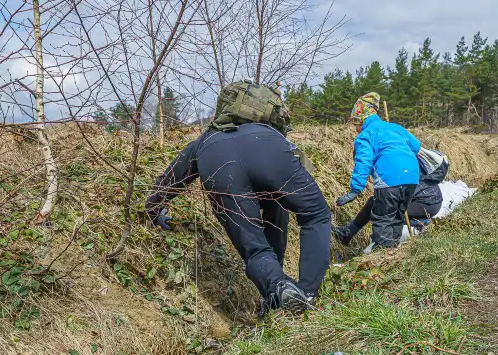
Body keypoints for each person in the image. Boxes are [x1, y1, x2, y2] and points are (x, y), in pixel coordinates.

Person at [144, 81, 331, 315]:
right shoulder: (269, 133)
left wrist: (152, 210)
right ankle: (307, 293)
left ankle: (278, 286)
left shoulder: (206, 139)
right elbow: (312, 207)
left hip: (219, 163)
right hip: (269, 153)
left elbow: (172, 178)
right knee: (315, 215)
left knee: (255, 248)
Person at [332, 93, 422, 249]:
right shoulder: (395, 128)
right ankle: (393, 253)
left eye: (356, 124)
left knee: (383, 220)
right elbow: (416, 146)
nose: (356, 129)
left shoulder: (365, 135)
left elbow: (364, 162)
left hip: (389, 179)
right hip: (412, 178)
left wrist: (354, 190)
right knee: (396, 217)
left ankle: (381, 257)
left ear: (362, 119)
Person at [336, 148, 449, 240]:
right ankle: (348, 233)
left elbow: (392, 195)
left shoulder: (389, 165)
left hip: (425, 203)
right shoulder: (390, 158)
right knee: (375, 203)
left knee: (383, 210)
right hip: (430, 200)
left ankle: (419, 223)